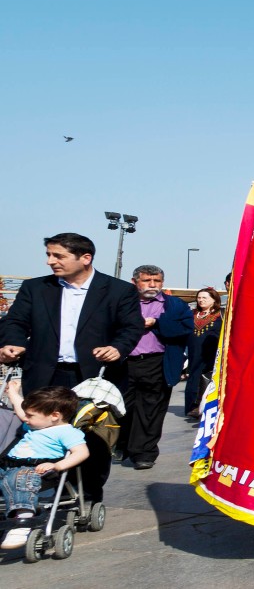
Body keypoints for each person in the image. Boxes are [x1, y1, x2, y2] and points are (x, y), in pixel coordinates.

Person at [0, 233, 146, 503]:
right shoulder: (36, 288)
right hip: (45, 374)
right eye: (48, 255)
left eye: (58, 256)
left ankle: (88, 496)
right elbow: (15, 322)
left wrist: (118, 347)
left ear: (85, 258)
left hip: (94, 377)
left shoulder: (117, 290)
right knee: (38, 435)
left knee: (93, 440)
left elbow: (131, 327)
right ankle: (34, 494)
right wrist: (12, 343)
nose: (50, 262)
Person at [111, 265, 194, 469]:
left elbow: (185, 328)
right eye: (147, 280)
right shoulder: (121, 303)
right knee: (122, 408)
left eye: (156, 281)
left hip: (157, 362)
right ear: (134, 282)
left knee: (151, 410)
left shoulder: (173, 305)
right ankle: (122, 445)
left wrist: (157, 322)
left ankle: (144, 453)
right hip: (123, 364)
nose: (152, 285)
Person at [0, 383, 90, 550]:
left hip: (38, 472)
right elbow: (22, 410)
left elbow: (81, 452)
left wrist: (57, 465)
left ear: (54, 415)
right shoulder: (36, 424)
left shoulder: (66, 432)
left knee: (20, 478)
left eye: (30, 416)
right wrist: (12, 392)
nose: (25, 419)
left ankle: (22, 522)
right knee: (14, 476)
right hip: (8, 466)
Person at [184, 286, 223, 418]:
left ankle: (207, 406)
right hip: (194, 353)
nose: (201, 300)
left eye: (204, 298)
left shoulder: (220, 315)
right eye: (199, 298)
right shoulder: (191, 314)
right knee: (193, 378)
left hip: (212, 355)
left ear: (213, 300)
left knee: (208, 379)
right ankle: (192, 406)